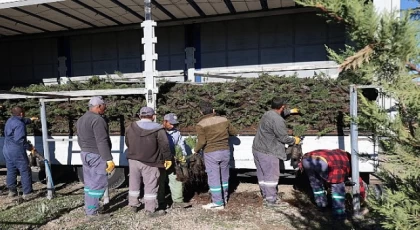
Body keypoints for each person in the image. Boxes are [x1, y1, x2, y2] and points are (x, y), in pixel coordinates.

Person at [252, 97, 300, 208]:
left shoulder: (267, 114)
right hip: (269, 151)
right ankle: (271, 200)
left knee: (263, 174)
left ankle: (266, 195)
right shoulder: (278, 120)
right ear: (282, 106)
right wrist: (294, 140)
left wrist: (290, 111)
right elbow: (283, 138)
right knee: (271, 176)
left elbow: (277, 115)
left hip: (258, 149)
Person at [125, 107, 172, 217]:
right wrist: (168, 158)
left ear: (140, 115)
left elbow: (127, 142)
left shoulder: (130, 127)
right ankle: (150, 210)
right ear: (153, 116)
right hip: (151, 161)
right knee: (151, 184)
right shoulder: (159, 129)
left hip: (133, 160)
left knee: (134, 182)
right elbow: (164, 145)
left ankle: (133, 205)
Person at [193, 102, 238, 210]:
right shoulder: (224, 120)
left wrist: (195, 150)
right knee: (224, 176)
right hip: (225, 151)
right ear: (213, 110)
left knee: (214, 178)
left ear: (201, 112)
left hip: (211, 153)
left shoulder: (200, 124)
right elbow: (234, 132)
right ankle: (224, 198)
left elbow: (202, 142)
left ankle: (218, 203)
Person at [299, 149, 367, 220]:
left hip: (306, 159)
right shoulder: (344, 163)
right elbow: (358, 182)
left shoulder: (337, 153)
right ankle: (339, 213)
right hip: (322, 162)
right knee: (338, 188)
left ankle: (321, 206)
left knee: (316, 183)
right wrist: (361, 199)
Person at [76, 96, 115, 219]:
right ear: (98, 106)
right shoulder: (97, 120)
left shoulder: (81, 119)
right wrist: (108, 159)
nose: (105, 109)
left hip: (85, 153)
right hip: (97, 155)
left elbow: (79, 138)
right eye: (104, 106)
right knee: (98, 183)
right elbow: (101, 140)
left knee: (89, 183)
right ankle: (92, 213)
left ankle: (89, 208)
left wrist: (85, 150)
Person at [3, 106, 37, 200]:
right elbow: (20, 140)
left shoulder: (10, 120)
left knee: (11, 170)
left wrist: (30, 120)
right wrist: (30, 148)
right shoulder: (19, 124)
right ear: (21, 113)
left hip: (7, 149)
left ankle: (12, 191)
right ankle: (27, 193)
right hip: (16, 150)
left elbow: (21, 121)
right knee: (25, 170)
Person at [160, 113, 189, 208]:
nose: (173, 126)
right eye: (171, 123)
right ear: (165, 121)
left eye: (175, 124)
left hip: (173, 160)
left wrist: (182, 155)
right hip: (161, 160)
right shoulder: (158, 131)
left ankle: (178, 201)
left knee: (176, 179)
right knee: (159, 180)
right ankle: (160, 201)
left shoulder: (177, 133)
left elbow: (181, 145)